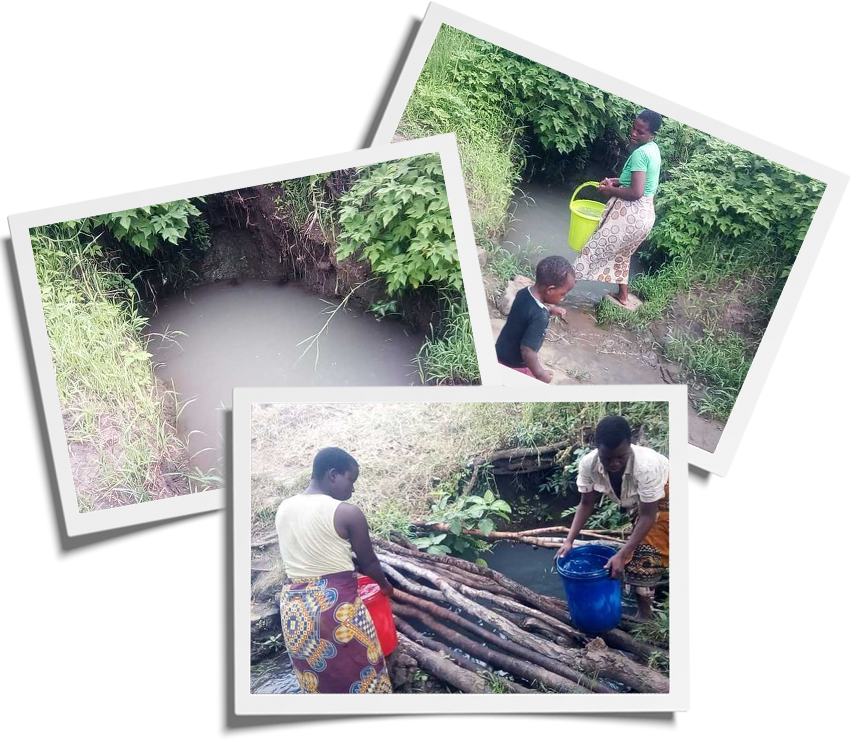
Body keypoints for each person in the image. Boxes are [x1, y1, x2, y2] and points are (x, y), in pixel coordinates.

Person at [275, 447, 394, 694]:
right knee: (364, 676)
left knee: (319, 682)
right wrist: (385, 587)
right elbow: (369, 562)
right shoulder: (347, 513)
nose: (352, 489)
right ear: (333, 475)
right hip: (337, 609)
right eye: (351, 480)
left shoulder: (284, 508)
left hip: (295, 610)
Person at [554, 415, 669, 620]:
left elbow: (649, 515)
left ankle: (646, 619)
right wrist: (569, 541)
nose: (614, 463)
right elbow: (586, 504)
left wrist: (623, 555)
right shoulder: (588, 465)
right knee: (639, 550)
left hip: (667, 497)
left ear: (630, 446)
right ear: (597, 449)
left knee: (644, 559)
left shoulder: (646, 466)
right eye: (607, 458)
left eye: (621, 457)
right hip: (640, 502)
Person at [574, 109, 664, 308]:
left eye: (640, 132)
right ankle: (623, 296)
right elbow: (638, 183)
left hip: (630, 214)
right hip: (645, 216)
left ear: (652, 134)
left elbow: (636, 192)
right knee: (622, 255)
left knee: (592, 251)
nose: (633, 133)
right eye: (633, 128)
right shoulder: (653, 150)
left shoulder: (641, 154)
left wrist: (610, 192)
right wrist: (614, 182)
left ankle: (555, 290)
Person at [495, 255, 575, 383]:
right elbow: (527, 351)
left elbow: (527, 313)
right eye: (562, 294)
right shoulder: (540, 317)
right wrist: (541, 374)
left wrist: (549, 310)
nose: (562, 299)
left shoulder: (524, 292)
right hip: (514, 364)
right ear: (550, 290)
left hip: (500, 351)